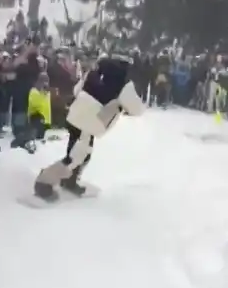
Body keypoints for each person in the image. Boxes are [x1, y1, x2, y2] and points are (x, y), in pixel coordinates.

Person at [34, 54, 145, 200]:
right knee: (77, 156)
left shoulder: (93, 73)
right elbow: (137, 109)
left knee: (83, 153)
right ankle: (44, 182)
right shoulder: (124, 83)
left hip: (77, 115)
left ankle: (70, 179)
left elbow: (76, 90)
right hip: (89, 122)